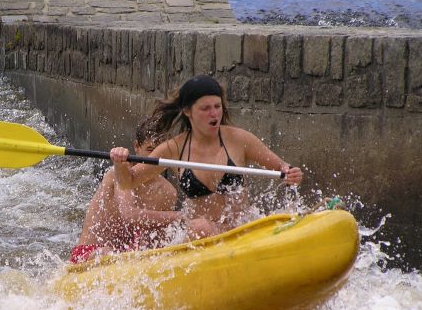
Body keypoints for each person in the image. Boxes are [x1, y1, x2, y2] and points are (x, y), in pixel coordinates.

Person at [110, 74, 303, 238]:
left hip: (239, 232)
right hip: (201, 239)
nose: (214, 114)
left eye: (217, 106)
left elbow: (282, 168)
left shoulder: (239, 139)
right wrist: (120, 164)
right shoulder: (174, 149)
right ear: (188, 111)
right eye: (205, 108)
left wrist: (291, 173)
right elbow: (129, 182)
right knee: (199, 226)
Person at [71, 116, 213, 264]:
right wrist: (181, 215)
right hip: (89, 254)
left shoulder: (168, 191)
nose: (154, 157)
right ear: (137, 147)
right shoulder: (119, 174)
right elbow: (129, 215)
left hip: (125, 256)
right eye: (150, 149)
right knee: (108, 253)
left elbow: (157, 235)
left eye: (160, 151)